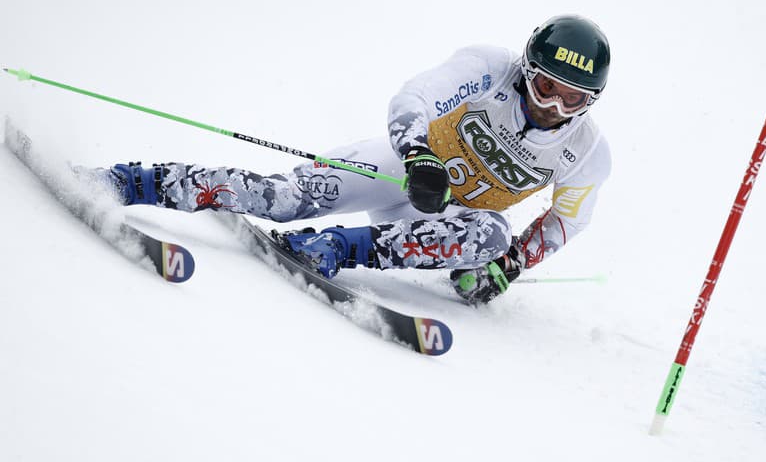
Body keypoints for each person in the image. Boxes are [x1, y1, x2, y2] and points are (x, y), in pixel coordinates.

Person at [101, 15, 612, 304]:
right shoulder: (489, 69)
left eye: (572, 99)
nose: (552, 108)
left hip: (441, 225)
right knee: (281, 198)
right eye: (546, 87)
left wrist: (512, 263)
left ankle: (331, 248)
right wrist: (418, 154)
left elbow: (567, 222)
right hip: (398, 171)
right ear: (527, 70)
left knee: (492, 235)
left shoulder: (585, 153)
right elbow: (413, 98)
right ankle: (134, 181)